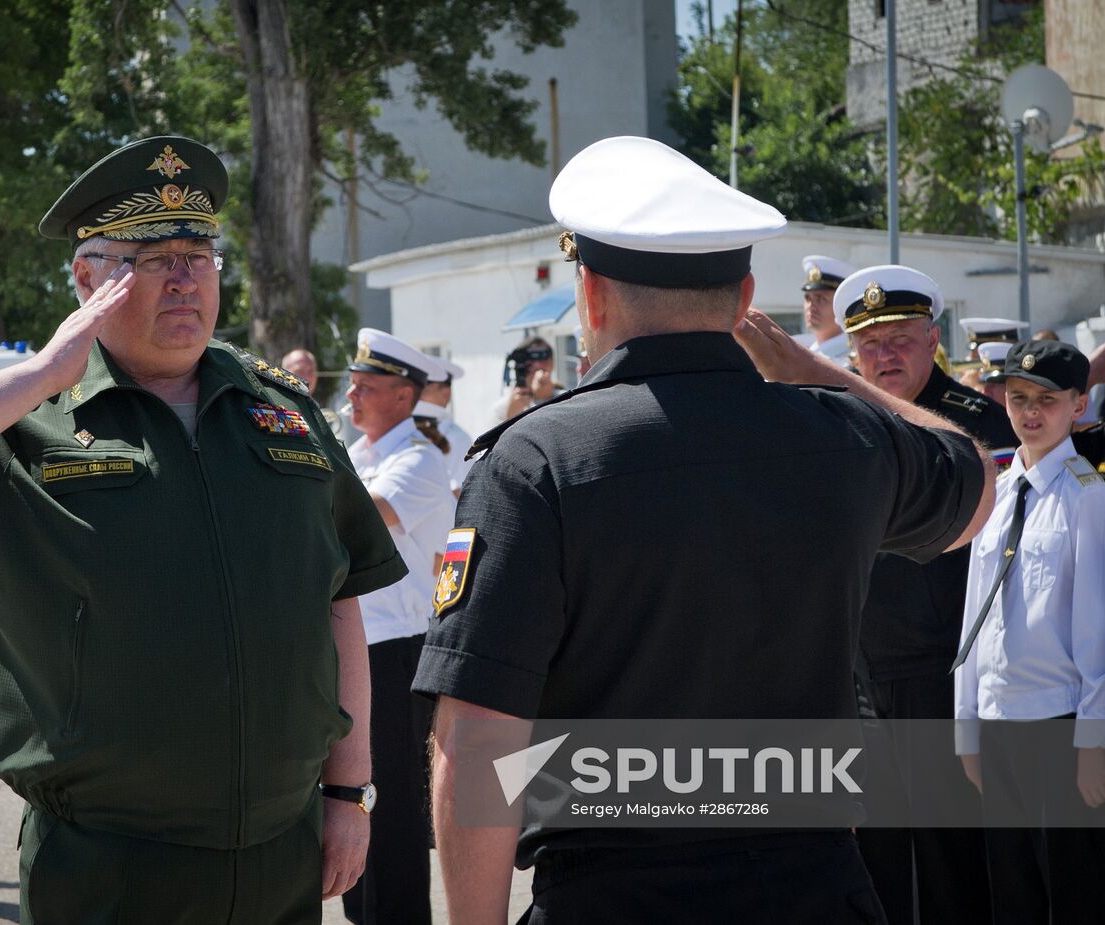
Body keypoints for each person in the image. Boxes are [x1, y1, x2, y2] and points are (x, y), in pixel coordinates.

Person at [412, 136, 996, 924]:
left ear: (589, 293)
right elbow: (973, 477)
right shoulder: (846, 439)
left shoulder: (534, 462)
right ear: (745, 291)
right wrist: (822, 372)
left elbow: (478, 740)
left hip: (612, 891)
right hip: (815, 886)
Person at [0, 135, 405, 924]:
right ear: (86, 277)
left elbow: (338, 601)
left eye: (199, 253)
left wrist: (349, 791)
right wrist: (37, 376)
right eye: (149, 256)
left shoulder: (285, 413)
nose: (183, 277)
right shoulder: (20, 416)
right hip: (106, 864)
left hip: (280, 848)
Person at [835, 265, 1008, 925]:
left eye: (902, 338)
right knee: (871, 854)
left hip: (948, 674)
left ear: (933, 338)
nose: (886, 355)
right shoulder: (838, 420)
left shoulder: (981, 424)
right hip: (859, 677)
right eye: (871, 343)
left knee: (952, 858)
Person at [953, 339, 1105, 923]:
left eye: (1047, 399)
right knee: (1012, 892)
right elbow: (975, 612)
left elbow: (1096, 627)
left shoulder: (1086, 494)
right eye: (1018, 398)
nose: (1029, 413)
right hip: (997, 722)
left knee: (1072, 890)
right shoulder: (998, 485)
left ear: (1079, 405)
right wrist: (967, 725)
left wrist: (1092, 741)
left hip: (1058, 724)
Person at [341, 328, 454, 925]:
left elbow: (362, 518)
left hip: (397, 653)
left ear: (404, 398)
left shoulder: (419, 460)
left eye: (365, 388)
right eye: (352, 386)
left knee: (392, 807)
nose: (350, 398)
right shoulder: (358, 455)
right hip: (357, 645)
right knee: (353, 798)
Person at [414, 357, 474, 494]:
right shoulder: (400, 425)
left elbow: (461, 493)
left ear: (445, 392)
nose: (415, 391)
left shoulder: (456, 438)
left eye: (424, 385)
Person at [799, 254, 854, 365]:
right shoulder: (807, 350)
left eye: (820, 299)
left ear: (842, 306)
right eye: (808, 298)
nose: (811, 306)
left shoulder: (851, 359)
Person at [490, 336, 555, 424]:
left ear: (552, 364)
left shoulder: (566, 399)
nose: (538, 365)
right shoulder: (502, 408)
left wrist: (546, 400)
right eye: (531, 359)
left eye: (544, 357)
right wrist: (511, 416)